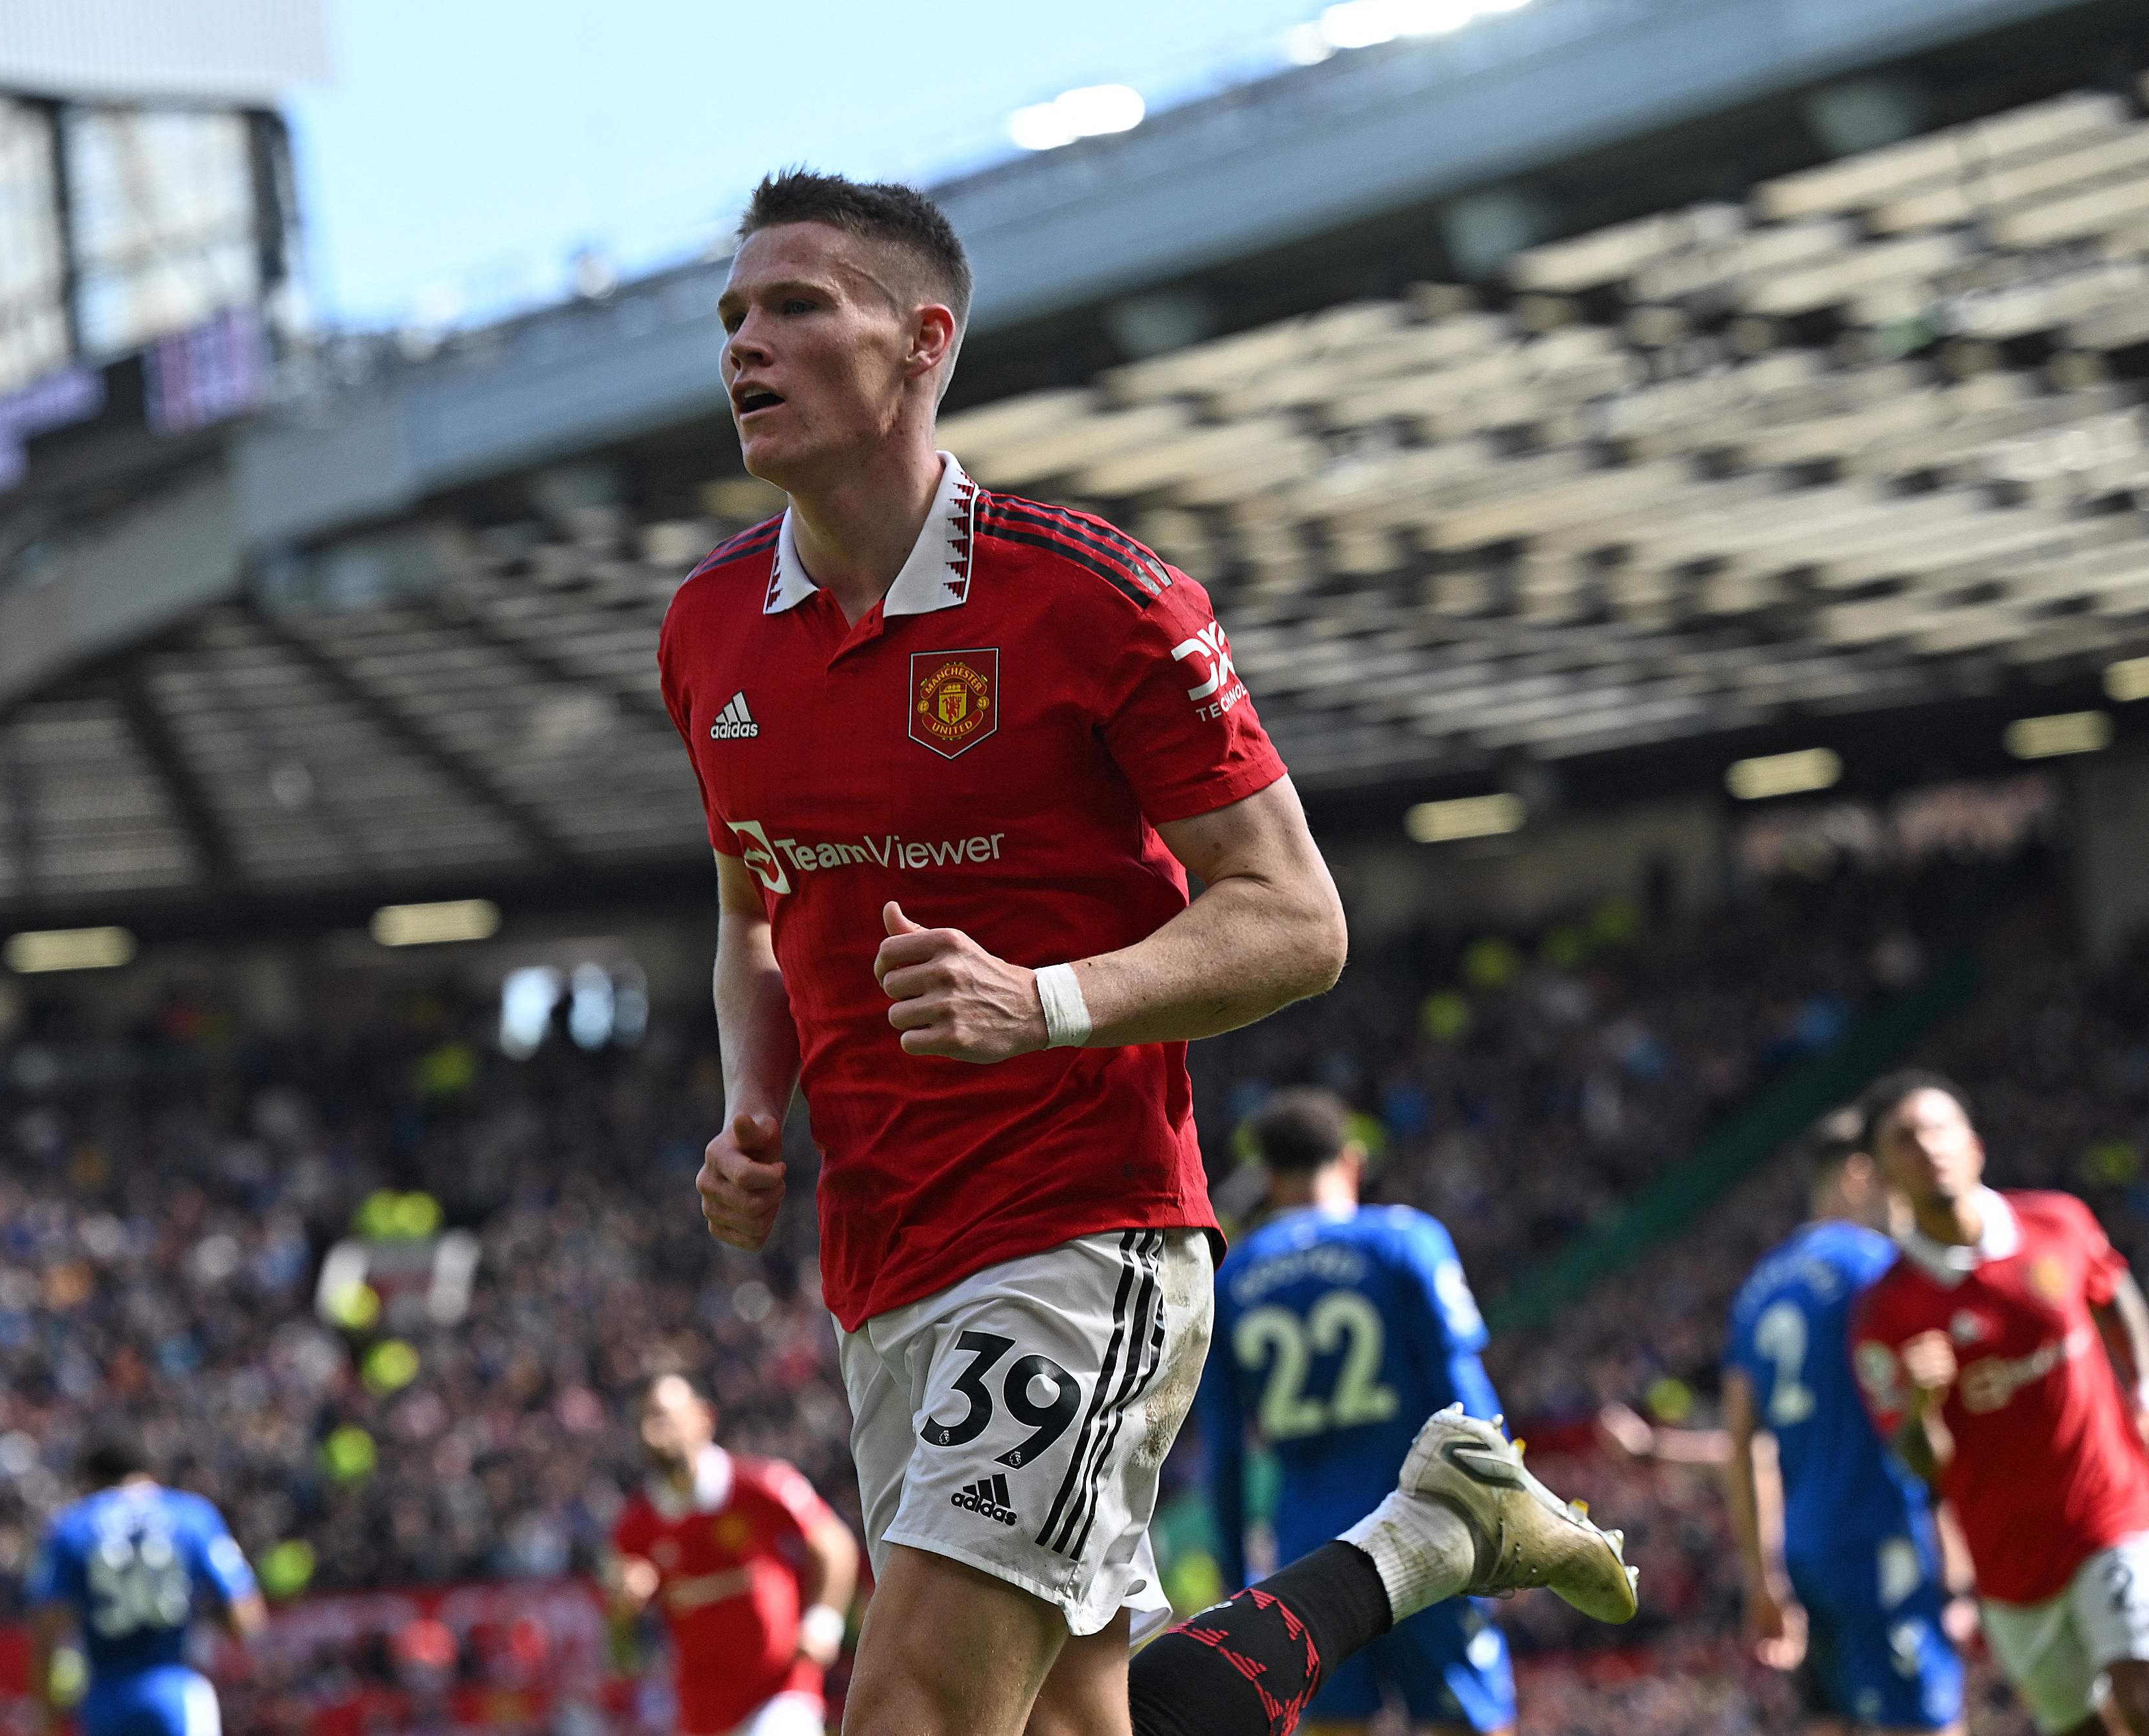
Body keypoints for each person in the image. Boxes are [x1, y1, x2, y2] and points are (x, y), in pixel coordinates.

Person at [658, 168, 1635, 1736]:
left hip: (1077, 1232)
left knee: (910, 1709)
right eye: (731, 316)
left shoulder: (1093, 598)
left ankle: (1421, 1538)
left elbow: (1294, 915)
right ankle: (1424, 1536)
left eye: (793, 307)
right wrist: (750, 1112)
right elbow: (747, 918)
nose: (743, 346)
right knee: (1078, 1720)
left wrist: (1042, 1001)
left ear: (922, 343)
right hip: (881, 1266)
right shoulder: (708, 628)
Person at [1848, 1069, 2149, 1736]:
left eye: (1938, 1127)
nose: (1927, 1146)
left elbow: (2114, 1289)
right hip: (2009, 1559)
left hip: (2109, 1508)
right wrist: (1922, 1404)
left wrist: (2148, 1390)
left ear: (1973, 1144)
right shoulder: (1883, 1313)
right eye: (1904, 1138)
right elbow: (1921, 1465)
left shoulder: (2055, 1221)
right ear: (1881, 1173)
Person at [1197, 1088, 1519, 1736]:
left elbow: (1225, 1454)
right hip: (1423, 1527)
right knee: (1466, 1720)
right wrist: (1507, 1522)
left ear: (1269, 1176)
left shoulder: (1229, 1282)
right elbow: (1468, 1399)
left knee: (1337, 1727)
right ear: (1351, 1160)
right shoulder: (1402, 1241)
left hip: (1309, 1550)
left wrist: (1239, 1584)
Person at [1724, 1110, 1965, 1736]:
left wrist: (1761, 1573)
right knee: (1927, 1719)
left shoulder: (1758, 1288)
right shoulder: (1878, 1269)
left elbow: (1741, 1445)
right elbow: (1924, 1409)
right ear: (1860, 1175)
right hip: (1879, 1532)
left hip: (1806, 1547)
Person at [605, 1373, 863, 1736]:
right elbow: (622, 1654)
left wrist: (824, 1623)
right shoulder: (636, 1526)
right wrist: (623, 1608)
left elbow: (834, 1543)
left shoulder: (762, 1486)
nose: (653, 1433)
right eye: (642, 1422)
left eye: (662, 1417)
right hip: (703, 1713)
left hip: (781, 1694)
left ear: (704, 1418)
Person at [27, 1436, 266, 1736]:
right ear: (150, 1473)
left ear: (92, 1481)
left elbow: (47, 1630)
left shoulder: (71, 1525)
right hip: (174, 1689)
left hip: (104, 1700)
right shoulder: (193, 1515)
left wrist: (47, 1721)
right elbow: (246, 1618)